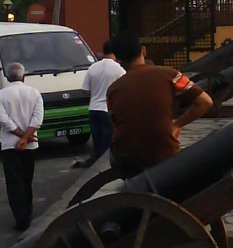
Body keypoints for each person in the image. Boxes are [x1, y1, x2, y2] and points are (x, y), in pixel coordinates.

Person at [106, 30, 213, 176]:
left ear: (118, 60)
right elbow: (205, 101)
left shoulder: (112, 90)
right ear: (143, 50)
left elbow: (115, 124)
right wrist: (177, 125)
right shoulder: (170, 75)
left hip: (127, 158)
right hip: (165, 152)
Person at [0, 62, 44, 232]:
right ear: (23, 76)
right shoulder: (35, 93)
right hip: (30, 144)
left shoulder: (0, 95)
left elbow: (4, 121)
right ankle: (28, 214)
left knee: (14, 182)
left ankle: (21, 218)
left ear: (8, 77)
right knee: (27, 179)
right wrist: (26, 137)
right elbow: (37, 119)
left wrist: (20, 136)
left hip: (9, 145)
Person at [74, 40, 125, 168]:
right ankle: (105, 169)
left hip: (93, 109)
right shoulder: (119, 69)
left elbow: (84, 90)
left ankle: (95, 168)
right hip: (108, 111)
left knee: (97, 143)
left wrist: (97, 91)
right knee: (108, 143)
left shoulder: (93, 67)